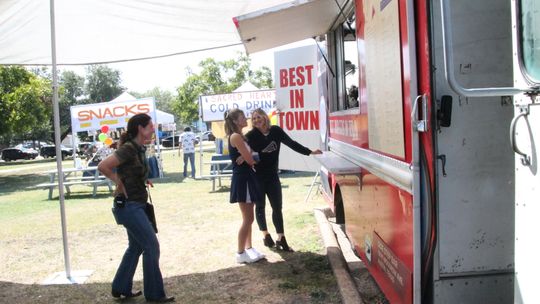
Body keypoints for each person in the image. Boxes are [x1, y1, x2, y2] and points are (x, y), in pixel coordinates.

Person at [98, 113, 174, 303]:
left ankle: (121, 287)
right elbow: (103, 166)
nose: (153, 130)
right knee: (151, 246)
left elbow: (131, 170)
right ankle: (155, 294)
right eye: (150, 126)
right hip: (130, 206)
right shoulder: (129, 148)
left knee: (136, 246)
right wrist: (118, 182)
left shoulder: (139, 148)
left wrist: (141, 179)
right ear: (140, 128)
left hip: (137, 204)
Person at [245, 108, 322, 251]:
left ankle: (281, 238)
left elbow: (291, 143)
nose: (256, 120)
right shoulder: (250, 135)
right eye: (253, 118)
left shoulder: (275, 131)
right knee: (260, 206)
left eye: (258, 117)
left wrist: (309, 152)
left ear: (265, 117)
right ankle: (265, 235)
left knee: (277, 207)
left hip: (273, 176)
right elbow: (242, 150)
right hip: (257, 177)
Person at [223, 108, 265, 264]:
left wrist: (247, 157)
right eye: (242, 117)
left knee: (249, 218)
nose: (245, 118)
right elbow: (252, 159)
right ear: (235, 121)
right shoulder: (235, 137)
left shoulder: (241, 137)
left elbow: (254, 156)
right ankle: (240, 253)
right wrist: (246, 157)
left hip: (248, 177)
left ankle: (249, 248)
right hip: (243, 179)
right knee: (248, 219)